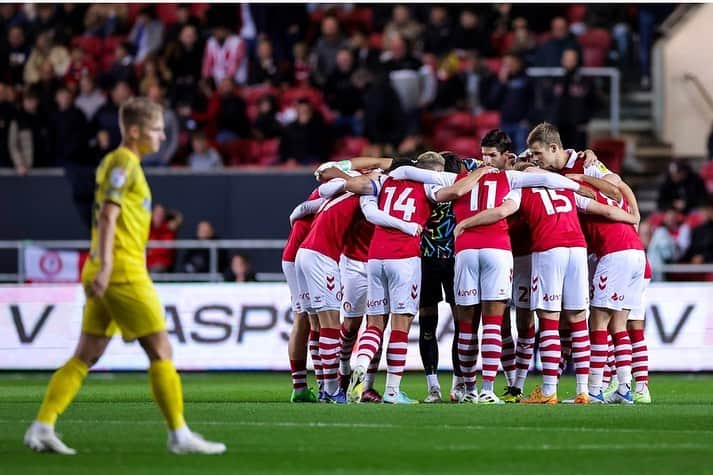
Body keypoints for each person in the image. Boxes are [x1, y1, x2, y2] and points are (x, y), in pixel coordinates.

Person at [23, 97, 225, 455]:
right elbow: (107, 216)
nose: (163, 136)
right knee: (161, 349)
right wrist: (104, 265)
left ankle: (42, 426)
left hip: (112, 268)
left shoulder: (124, 164)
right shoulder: (123, 163)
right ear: (134, 131)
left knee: (87, 354)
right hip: (122, 270)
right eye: (157, 129)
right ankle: (179, 435)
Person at [147, 203, 183, 273]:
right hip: (146, 263)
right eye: (156, 213)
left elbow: (179, 217)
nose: (158, 216)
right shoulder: (148, 227)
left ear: (164, 215)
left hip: (162, 265)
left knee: (155, 270)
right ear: (152, 214)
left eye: (161, 214)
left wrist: (169, 213)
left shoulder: (169, 227)